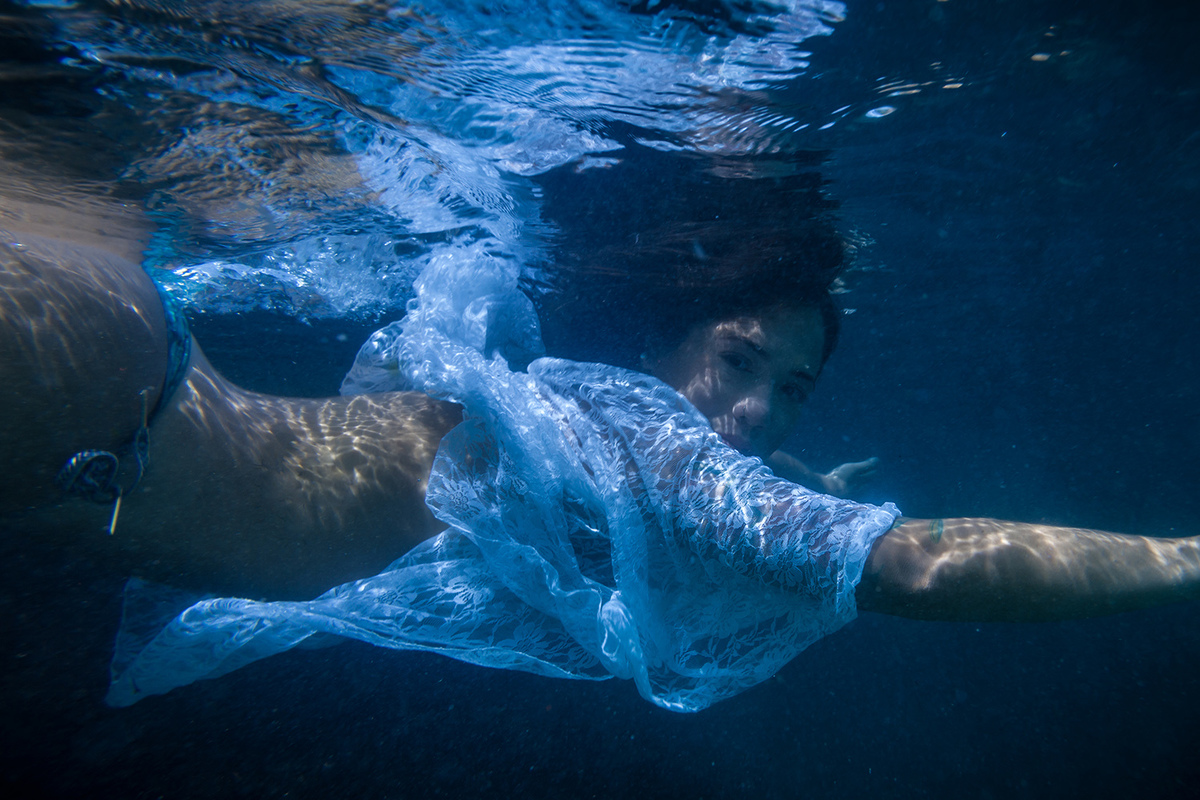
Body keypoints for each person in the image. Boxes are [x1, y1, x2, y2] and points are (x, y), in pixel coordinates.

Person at [3, 154, 1199, 710]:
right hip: (100, 401)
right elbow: (919, 563)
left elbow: (725, 456)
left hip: (123, 372)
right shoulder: (647, 442)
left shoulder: (615, 430)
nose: (758, 406)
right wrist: (1187, 557)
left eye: (793, 386)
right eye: (738, 359)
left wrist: (801, 474)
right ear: (659, 348)